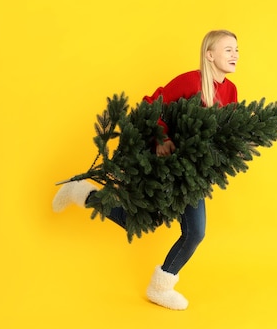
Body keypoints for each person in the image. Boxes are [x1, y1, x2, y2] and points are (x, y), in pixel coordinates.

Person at [52, 29, 240, 310]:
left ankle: (81, 193)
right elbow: (151, 105)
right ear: (209, 55)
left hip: (192, 174)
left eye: (237, 49)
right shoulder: (191, 81)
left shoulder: (231, 90)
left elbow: (227, 130)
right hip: (166, 167)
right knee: (179, 228)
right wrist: (161, 138)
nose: (235, 54)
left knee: (159, 225)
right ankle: (160, 286)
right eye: (228, 49)